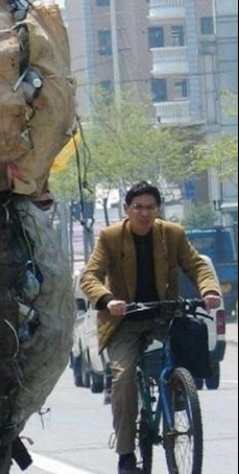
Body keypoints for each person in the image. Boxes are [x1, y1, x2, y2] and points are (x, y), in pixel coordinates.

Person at [80, 181, 221, 474]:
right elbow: (90, 275)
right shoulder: (110, 237)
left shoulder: (172, 234)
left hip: (163, 314)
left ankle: (179, 390)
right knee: (124, 379)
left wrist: (209, 290)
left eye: (150, 208)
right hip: (125, 321)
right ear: (127, 209)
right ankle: (126, 453)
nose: (144, 213)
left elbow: (197, 266)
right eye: (138, 207)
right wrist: (107, 300)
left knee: (190, 341)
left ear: (158, 209)